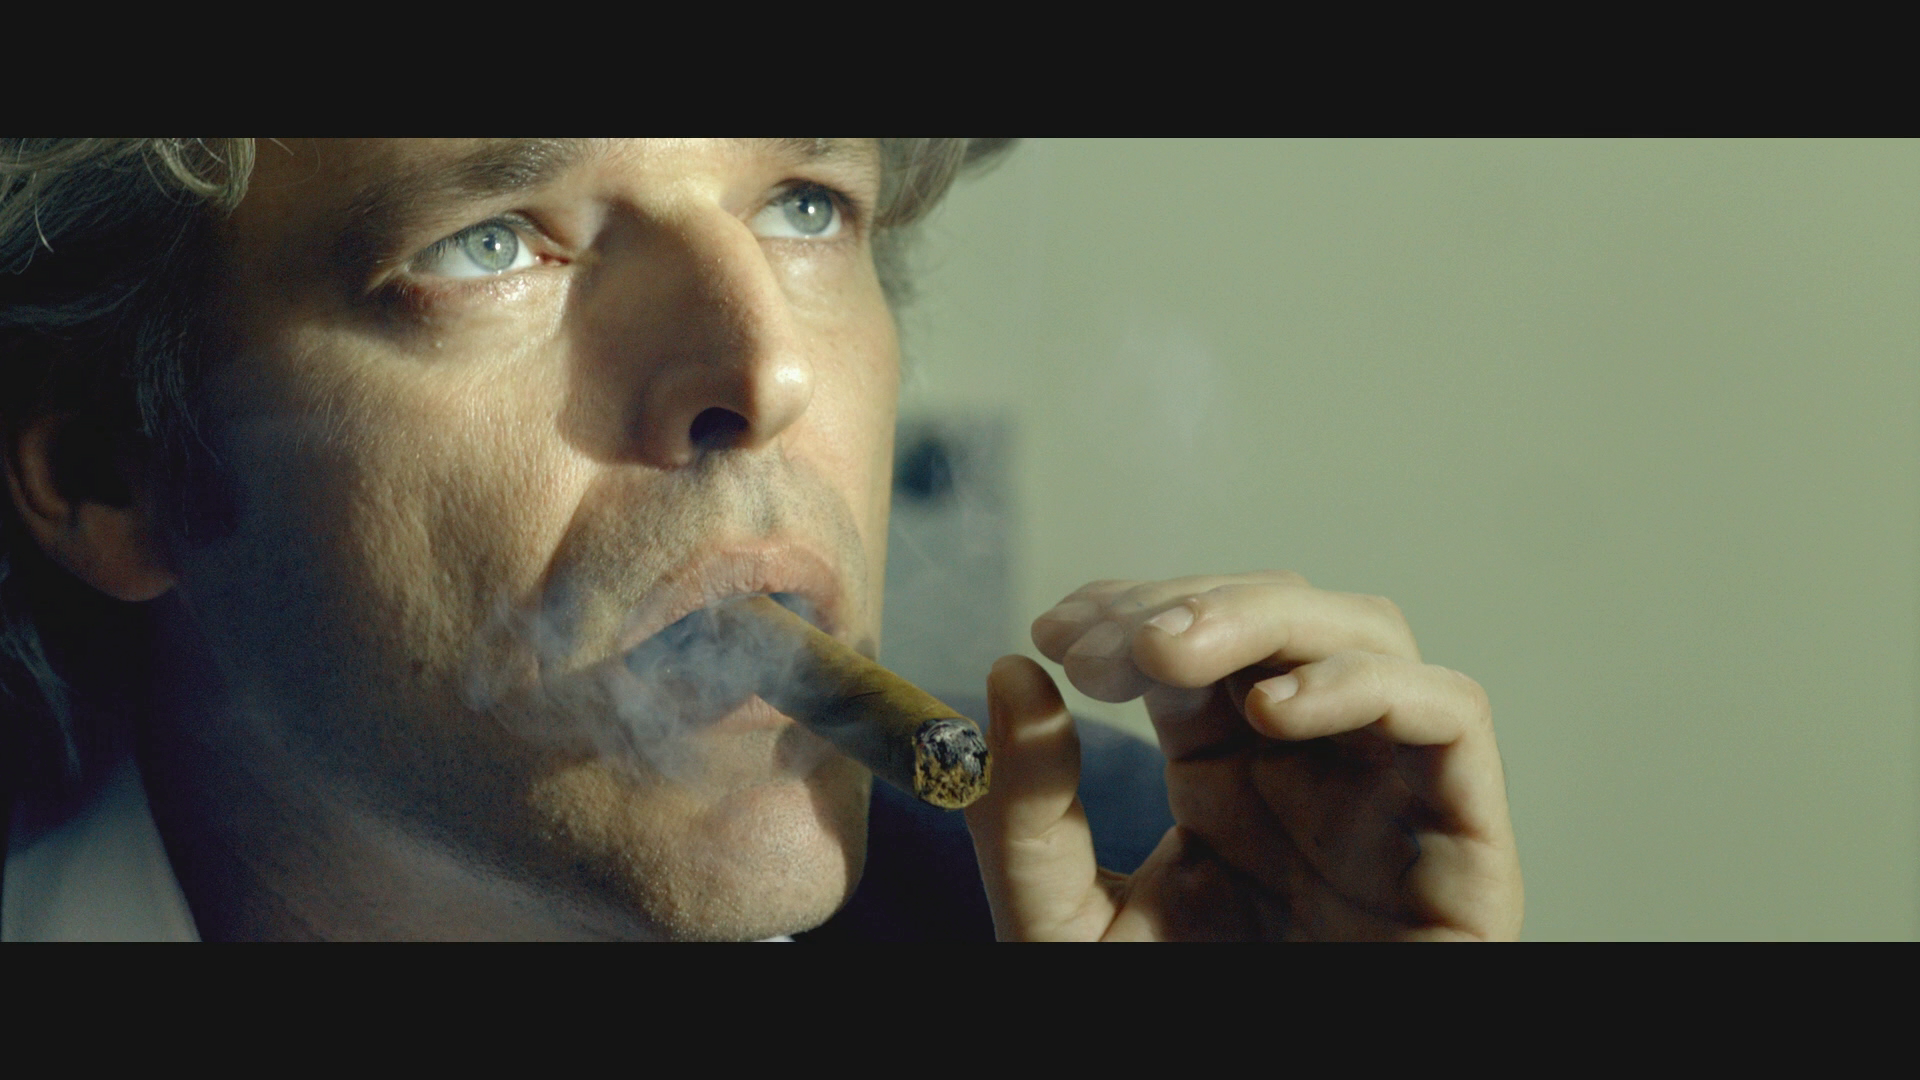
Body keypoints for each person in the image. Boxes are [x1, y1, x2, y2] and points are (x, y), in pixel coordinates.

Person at [0, 139, 1523, 940]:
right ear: (107, 475)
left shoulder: (1151, 876)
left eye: (804, 204)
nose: (764, 370)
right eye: (492, 240)